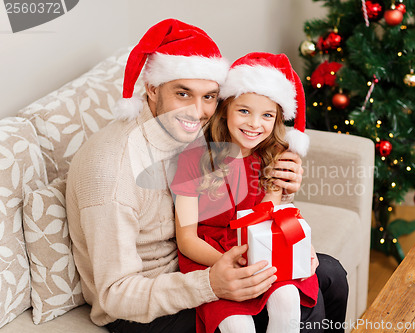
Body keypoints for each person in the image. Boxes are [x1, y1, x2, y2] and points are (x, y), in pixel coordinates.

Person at [66, 18, 348, 333]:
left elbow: (242, 187)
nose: (198, 111)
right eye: (183, 94)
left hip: (209, 254)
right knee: (303, 309)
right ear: (152, 89)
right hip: (147, 304)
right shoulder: (112, 170)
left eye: (209, 96)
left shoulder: (200, 128)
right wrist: (212, 284)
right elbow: (114, 295)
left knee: (331, 275)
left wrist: (285, 207)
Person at [171, 52, 318, 333]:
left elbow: (268, 215)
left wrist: (296, 245)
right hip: (211, 256)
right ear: (225, 108)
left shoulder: (274, 155)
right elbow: (187, 239)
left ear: (277, 120)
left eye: (267, 115)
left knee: (288, 299)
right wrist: (228, 263)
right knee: (237, 325)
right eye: (244, 111)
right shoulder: (192, 160)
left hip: (259, 249)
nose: (254, 124)